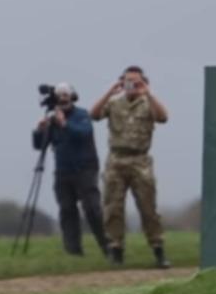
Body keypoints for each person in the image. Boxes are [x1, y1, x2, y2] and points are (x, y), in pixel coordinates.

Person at [90, 66, 171, 268]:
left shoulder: (148, 103)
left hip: (140, 161)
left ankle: (158, 250)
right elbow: (94, 114)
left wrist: (148, 93)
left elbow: (163, 117)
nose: (132, 85)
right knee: (113, 208)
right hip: (116, 160)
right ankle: (116, 250)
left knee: (148, 208)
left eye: (136, 82)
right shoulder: (114, 103)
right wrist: (111, 91)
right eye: (128, 81)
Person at [32, 83, 113, 259]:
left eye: (66, 96)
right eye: (59, 97)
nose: (63, 100)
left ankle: (108, 247)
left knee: (92, 209)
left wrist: (64, 123)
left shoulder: (82, 115)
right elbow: (39, 146)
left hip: (85, 168)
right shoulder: (52, 121)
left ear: (72, 98)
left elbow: (83, 134)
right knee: (67, 210)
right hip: (63, 172)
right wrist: (39, 130)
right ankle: (73, 251)